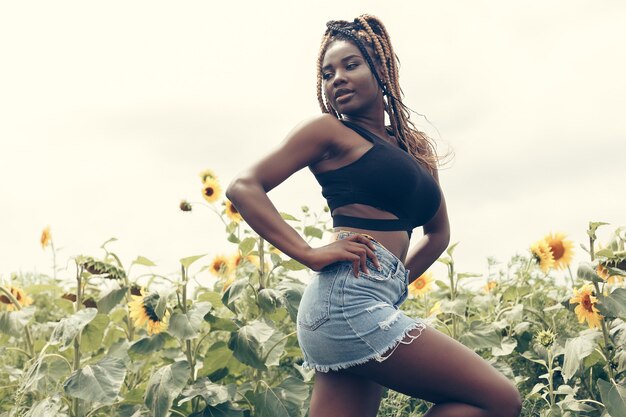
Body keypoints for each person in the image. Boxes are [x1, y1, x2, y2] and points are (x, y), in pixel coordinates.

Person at [226, 14, 522, 417]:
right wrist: (309, 253)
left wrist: (394, 281)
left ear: (381, 69)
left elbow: (437, 233)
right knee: (500, 400)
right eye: (328, 73)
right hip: (346, 301)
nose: (338, 79)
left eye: (351, 65)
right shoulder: (327, 131)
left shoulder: (415, 151)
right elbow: (244, 187)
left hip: (372, 300)